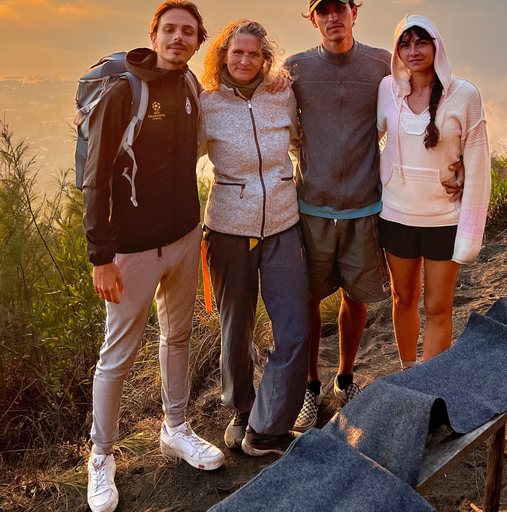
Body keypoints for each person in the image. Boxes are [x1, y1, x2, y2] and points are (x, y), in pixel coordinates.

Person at [284, 0, 465, 432]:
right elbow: (287, 127)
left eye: (340, 7)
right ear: (312, 17)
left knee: (356, 296)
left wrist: (454, 161)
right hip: (310, 206)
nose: (333, 17)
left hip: (367, 206)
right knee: (308, 298)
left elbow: (416, 114)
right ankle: (311, 389)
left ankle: (345, 380)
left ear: (354, 11)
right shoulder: (296, 68)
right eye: (322, 9)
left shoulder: (382, 65)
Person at [82, 2, 223, 511]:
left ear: (198, 40)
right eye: (170, 30)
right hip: (130, 251)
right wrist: (101, 255)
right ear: (154, 34)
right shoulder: (125, 92)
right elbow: (95, 176)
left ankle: (176, 428)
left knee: (178, 336)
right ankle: (101, 456)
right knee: (116, 357)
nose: (178, 38)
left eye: (188, 32)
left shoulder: (188, 88)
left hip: (185, 238)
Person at [198, 20, 309, 456]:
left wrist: (295, 182)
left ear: (266, 58)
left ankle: (268, 427)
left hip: (283, 224)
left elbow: (301, 143)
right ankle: (242, 413)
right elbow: (178, 155)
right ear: (223, 56)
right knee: (235, 328)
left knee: (295, 330)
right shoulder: (207, 104)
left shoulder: (282, 94)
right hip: (227, 230)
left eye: (254, 54)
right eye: (237, 53)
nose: (245, 61)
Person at [377, 15, 490, 366]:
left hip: (444, 220)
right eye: (405, 43)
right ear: (397, 51)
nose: (413, 50)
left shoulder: (465, 95)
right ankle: (409, 374)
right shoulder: (386, 90)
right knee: (403, 299)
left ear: (436, 46)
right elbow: (365, 140)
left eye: (421, 42)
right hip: (395, 216)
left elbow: (479, 168)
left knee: (438, 307)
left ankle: (430, 385)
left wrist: (470, 236)